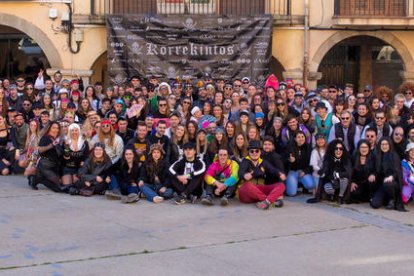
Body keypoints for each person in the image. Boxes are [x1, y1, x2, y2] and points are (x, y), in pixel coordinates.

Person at [238, 140, 286, 210]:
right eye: (252, 151)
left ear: (260, 152)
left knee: (281, 185)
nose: (254, 153)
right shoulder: (245, 161)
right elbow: (240, 172)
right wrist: (244, 175)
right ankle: (270, 200)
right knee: (247, 185)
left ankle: (266, 202)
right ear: (249, 152)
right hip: (247, 193)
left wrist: (280, 174)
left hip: (260, 190)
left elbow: (272, 169)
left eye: (257, 151)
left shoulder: (263, 162)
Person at [369, 137, 406, 211]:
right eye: (382, 144)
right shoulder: (377, 155)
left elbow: (398, 171)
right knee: (375, 204)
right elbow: (375, 170)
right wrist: (373, 174)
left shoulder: (394, 155)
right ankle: (384, 199)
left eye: (386, 144)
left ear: (390, 145)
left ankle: (392, 199)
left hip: (393, 183)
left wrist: (392, 176)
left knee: (388, 183)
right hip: (382, 184)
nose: (384, 146)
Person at [311, 140, 352, 204]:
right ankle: (332, 196)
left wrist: (337, 175)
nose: (338, 150)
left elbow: (349, 173)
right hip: (331, 181)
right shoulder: (328, 159)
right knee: (328, 188)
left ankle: (340, 197)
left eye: (341, 149)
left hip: (341, 183)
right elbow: (325, 172)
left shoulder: (346, 159)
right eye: (336, 148)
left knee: (345, 179)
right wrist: (322, 172)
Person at [28, 121, 62, 192]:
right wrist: (51, 145)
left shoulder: (57, 138)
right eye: (53, 128)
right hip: (45, 164)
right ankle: (34, 179)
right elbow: (40, 150)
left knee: (59, 184)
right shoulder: (45, 137)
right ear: (49, 128)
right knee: (57, 187)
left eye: (57, 128)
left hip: (55, 165)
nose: (56, 130)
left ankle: (36, 178)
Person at [60, 123, 89, 192]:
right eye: (72, 130)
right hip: (67, 167)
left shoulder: (84, 143)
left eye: (76, 130)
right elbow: (65, 158)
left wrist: (83, 162)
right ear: (69, 132)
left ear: (79, 131)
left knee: (77, 184)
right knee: (66, 187)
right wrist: (66, 147)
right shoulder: (65, 142)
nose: (74, 132)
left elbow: (86, 156)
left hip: (78, 168)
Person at [285, 131, 315, 196]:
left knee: (311, 185)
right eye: (298, 137)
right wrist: (290, 161)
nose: (301, 139)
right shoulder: (290, 147)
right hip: (292, 171)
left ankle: (299, 182)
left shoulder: (309, 148)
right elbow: (284, 161)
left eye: (302, 137)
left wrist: (305, 171)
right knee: (291, 193)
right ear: (295, 139)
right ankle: (293, 182)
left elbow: (312, 164)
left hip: (303, 171)